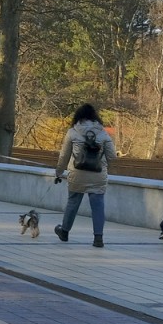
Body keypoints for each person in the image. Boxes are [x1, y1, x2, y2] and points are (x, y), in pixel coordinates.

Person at [51, 103, 117, 247]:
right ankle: (98, 238)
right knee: (98, 206)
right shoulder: (103, 133)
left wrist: (59, 172)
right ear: (95, 117)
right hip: (98, 175)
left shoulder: (72, 132)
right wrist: (103, 163)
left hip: (77, 174)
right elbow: (112, 156)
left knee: (73, 202)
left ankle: (64, 232)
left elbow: (64, 156)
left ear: (78, 117)